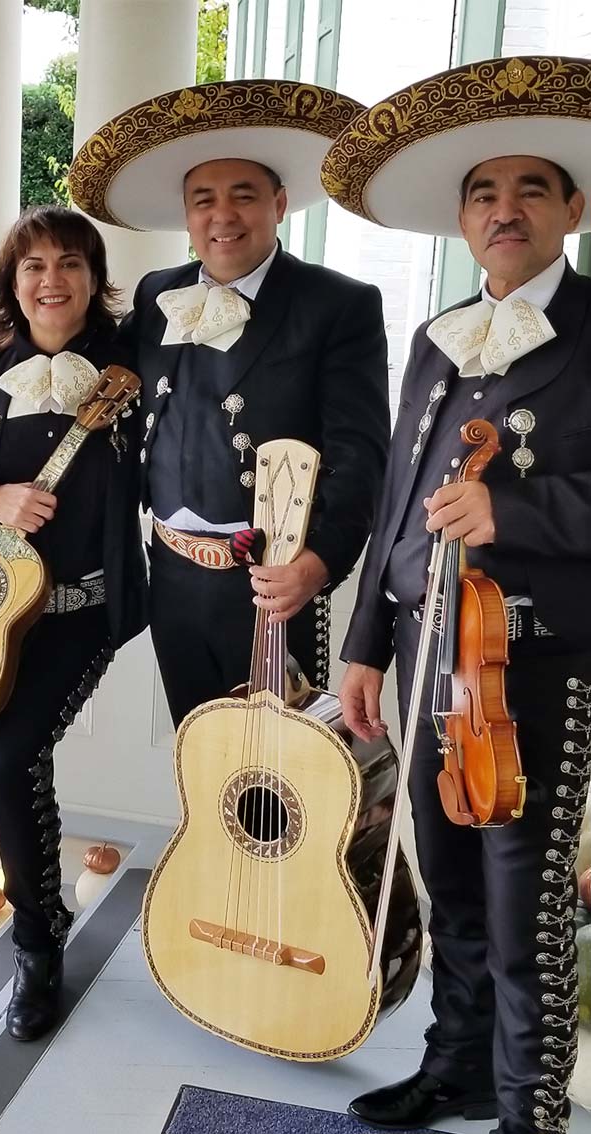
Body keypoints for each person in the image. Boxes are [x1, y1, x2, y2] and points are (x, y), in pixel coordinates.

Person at [325, 55, 591, 1134]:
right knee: (452, 891)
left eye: (532, 187)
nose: (505, 209)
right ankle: (459, 1067)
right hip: (434, 661)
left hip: (539, 663)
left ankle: (532, 1103)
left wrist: (516, 516)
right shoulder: (437, 341)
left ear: (574, 206)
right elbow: (399, 506)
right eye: (484, 191)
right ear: (463, 218)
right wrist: (364, 648)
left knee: (525, 907)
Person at [0, 79, 390, 726]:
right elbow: (87, 352)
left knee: (278, 780)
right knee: (196, 749)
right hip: (174, 575)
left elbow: (361, 457)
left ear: (280, 203)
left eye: (244, 195)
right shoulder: (160, 295)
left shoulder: (338, 304)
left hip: (270, 580)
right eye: (203, 200)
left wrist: (321, 564)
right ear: (187, 215)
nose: (223, 215)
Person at [0, 205, 148, 1041]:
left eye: (70, 263)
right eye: (34, 266)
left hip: (80, 614)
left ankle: (37, 948)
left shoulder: (135, 365)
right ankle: (42, 927)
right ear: (11, 284)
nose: (52, 280)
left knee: (8, 754)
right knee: (18, 767)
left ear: (94, 276)